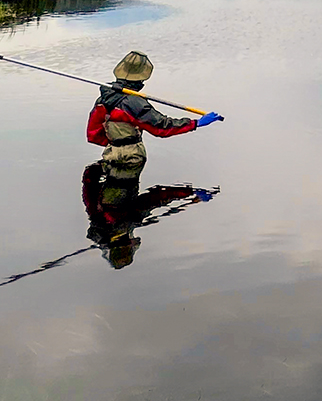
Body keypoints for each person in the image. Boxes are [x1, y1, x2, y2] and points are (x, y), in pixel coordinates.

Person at [85, 51, 221, 175]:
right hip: (131, 157)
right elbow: (161, 127)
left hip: (110, 153)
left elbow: (93, 134)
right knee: (122, 197)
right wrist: (195, 123)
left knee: (111, 197)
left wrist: (114, 144)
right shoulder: (134, 103)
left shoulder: (103, 98)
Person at [81, 163, 215, 269]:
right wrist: (188, 192)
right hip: (123, 163)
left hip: (118, 162)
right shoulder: (128, 218)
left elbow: (158, 197)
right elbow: (157, 197)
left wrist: (189, 192)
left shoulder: (102, 217)